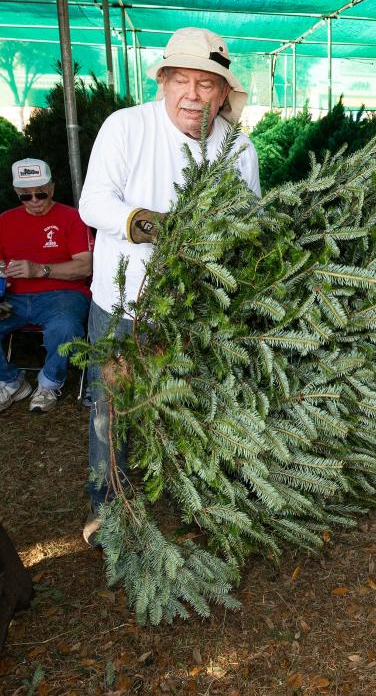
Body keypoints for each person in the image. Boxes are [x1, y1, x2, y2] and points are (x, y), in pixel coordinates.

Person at [78, 27, 260, 543]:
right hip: (123, 304)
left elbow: (249, 220)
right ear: (163, 82)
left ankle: (191, 502)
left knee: (191, 403)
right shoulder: (126, 127)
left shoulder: (237, 149)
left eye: (206, 85)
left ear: (223, 93)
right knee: (112, 410)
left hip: (196, 311)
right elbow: (94, 202)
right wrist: (156, 226)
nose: (191, 95)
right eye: (180, 80)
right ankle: (108, 509)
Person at [0, 158, 93, 415]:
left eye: (40, 192)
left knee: (65, 327)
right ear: (17, 192)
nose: (35, 200)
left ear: (51, 187)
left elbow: (86, 267)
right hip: (12, 298)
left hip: (63, 295)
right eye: (26, 196)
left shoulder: (72, 217)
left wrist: (40, 270)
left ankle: (49, 383)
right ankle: (11, 383)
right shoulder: (5, 221)